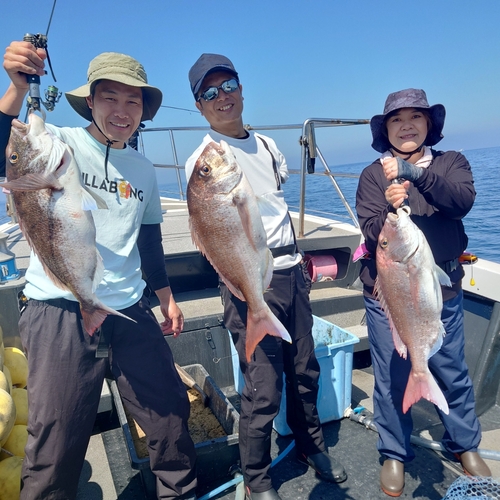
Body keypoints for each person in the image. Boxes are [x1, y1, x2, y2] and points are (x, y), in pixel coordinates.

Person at [0, 41, 198, 499]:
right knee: (56, 438)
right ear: (90, 100)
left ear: (144, 109)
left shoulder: (144, 170)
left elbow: (148, 240)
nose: (122, 109)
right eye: (109, 96)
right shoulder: (60, 144)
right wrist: (14, 88)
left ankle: (180, 492)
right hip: (58, 308)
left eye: (134, 100)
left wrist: (165, 296)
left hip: (129, 308)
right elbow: (8, 147)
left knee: (169, 415)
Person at [184, 53, 347, 500]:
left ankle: (309, 445)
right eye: (209, 93)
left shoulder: (270, 147)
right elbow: (212, 233)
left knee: (304, 369)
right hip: (248, 281)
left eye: (229, 85)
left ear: (241, 87)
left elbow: (275, 207)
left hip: (292, 271)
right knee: (263, 385)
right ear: (199, 106)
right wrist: (241, 287)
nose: (223, 97)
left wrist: (295, 264)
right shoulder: (202, 163)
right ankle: (256, 479)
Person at [355, 88, 491, 497]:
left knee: (452, 371)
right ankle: (394, 451)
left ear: (430, 124)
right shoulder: (371, 176)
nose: (407, 124)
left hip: (441, 290)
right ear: (386, 130)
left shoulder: (452, 163)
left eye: (416, 116)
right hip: (390, 294)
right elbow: (371, 228)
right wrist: (389, 209)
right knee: (392, 376)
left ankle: (465, 445)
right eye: (397, 119)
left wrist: (416, 177)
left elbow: (461, 201)